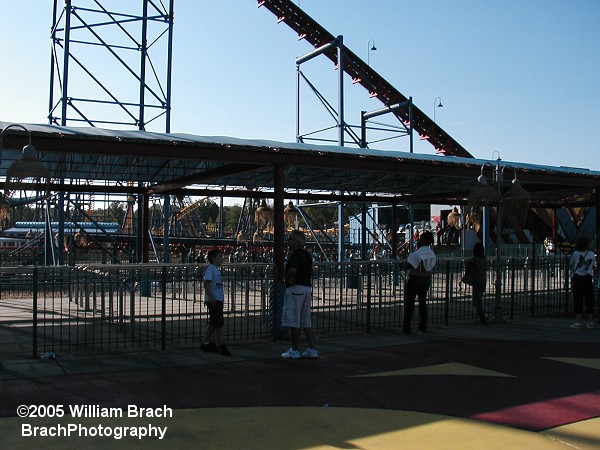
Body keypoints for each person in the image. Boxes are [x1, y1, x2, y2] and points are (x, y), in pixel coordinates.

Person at [281, 230, 318, 359]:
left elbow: (292, 270)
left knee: (294, 321)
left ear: (296, 241)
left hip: (296, 288)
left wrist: (288, 277)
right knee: (306, 321)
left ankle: (294, 349)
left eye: (290, 238)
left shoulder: (295, 255)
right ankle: (312, 349)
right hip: (307, 288)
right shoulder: (307, 255)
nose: (288, 241)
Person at [402, 230, 436, 334]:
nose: (419, 240)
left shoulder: (418, 252)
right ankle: (422, 326)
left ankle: (407, 327)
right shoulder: (431, 252)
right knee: (422, 303)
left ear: (424, 240)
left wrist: (402, 266)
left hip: (415, 278)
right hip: (426, 279)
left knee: (410, 303)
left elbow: (411, 264)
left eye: (421, 238)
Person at [201, 249, 231, 355]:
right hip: (214, 299)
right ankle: (219, 343)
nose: (221, 259)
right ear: (213, 258)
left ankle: (206, 342)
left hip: (218, 298)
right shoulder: (211, 269)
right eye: (219, 256)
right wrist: (211, 297)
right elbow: (206, 283)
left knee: (214, 322)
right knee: (218, 322)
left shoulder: (216, 270)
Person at [569, 236, 595, 329]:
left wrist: (571, 276)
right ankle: (590, 321)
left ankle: (577, 321)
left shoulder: (576, 253)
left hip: (578, 278)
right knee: (589, 300)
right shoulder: (591, 254)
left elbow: (572, 265)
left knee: (578, 299)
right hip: (588, 278)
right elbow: (592, 265)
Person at [466, 242, 488, 325]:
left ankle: (481, 317)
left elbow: (468, 269)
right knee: (478, 299)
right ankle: (480, 316)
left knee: (478, 300)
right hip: (483, 280)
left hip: (476, 280)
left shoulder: (474, 259)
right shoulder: (484, 258)